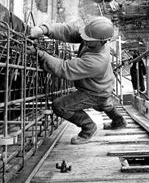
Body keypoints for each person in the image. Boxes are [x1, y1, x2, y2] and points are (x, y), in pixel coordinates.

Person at [28, 17, 127, 145]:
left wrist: (39, 54)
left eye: (88, 40)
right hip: (103, 84)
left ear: (102, 42)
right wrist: (44, 29)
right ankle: (119, 121)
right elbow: (69, 31)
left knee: (59, 106)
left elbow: (64, 69)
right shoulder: (95, 36)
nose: (84, 40)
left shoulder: (96, 61)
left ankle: (88, 128)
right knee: (103, 103)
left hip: (95, 91)